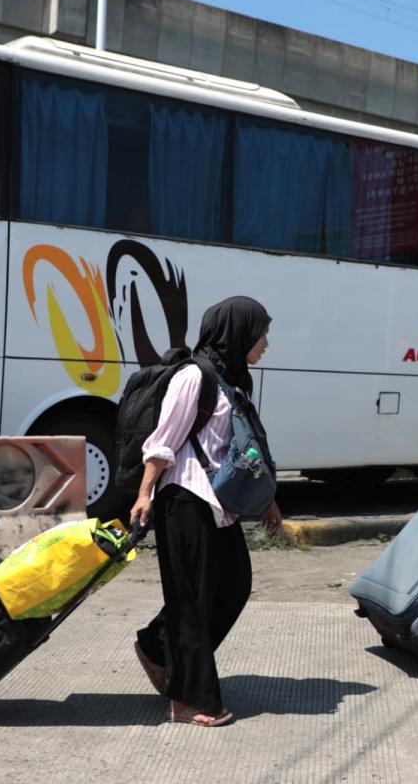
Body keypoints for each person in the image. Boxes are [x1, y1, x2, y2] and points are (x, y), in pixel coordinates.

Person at [130, 296, 283, 727]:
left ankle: (158, 650)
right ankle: (190, 698)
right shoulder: (194, 377)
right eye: (261, 333)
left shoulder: (235, 380)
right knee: (191, 601)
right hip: (183, 502)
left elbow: (239, 448)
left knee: (234, 585)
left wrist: (267, 498)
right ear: (238, 332)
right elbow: (162, 442)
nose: (266, 343)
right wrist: (144, 494)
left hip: (219, 505)